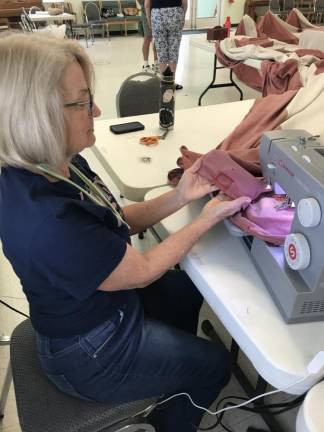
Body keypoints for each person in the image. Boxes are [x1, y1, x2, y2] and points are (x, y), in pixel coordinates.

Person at [0, 33, 250, 432]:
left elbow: (117, 219)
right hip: (88, 353)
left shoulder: (56, 164)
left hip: (102, 313)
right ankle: (172, 411)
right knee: (213, 366)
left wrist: (181, 195)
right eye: (82, 102)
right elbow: (142, 268)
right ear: (36, 115)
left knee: (185, 291)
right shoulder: (49, 220)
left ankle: (169, 376)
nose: (97, 110)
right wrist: (207, 218)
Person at [145, 0, 187, 90]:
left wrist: (149, 19)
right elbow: (184, 2)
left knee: (161, 51)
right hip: (175, 13)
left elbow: (147, 5)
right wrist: (183, 17)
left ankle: (164, 83)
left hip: (157, 15)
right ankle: (171, 82)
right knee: (174, 50)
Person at [138, 0, 159, 73]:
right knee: (147, 37)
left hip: (157, 10)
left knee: (157, 38)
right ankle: (146, 64)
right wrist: (144, 5)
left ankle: (156, 63)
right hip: (146, 11)